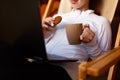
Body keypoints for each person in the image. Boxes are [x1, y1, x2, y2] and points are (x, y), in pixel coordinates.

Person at [42, 0, 112, 80]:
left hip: (65, 70)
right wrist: (45, 35)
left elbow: (105, 64)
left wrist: (91, 44)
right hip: (41, 61)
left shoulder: (101, 22)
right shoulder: (57, 17)